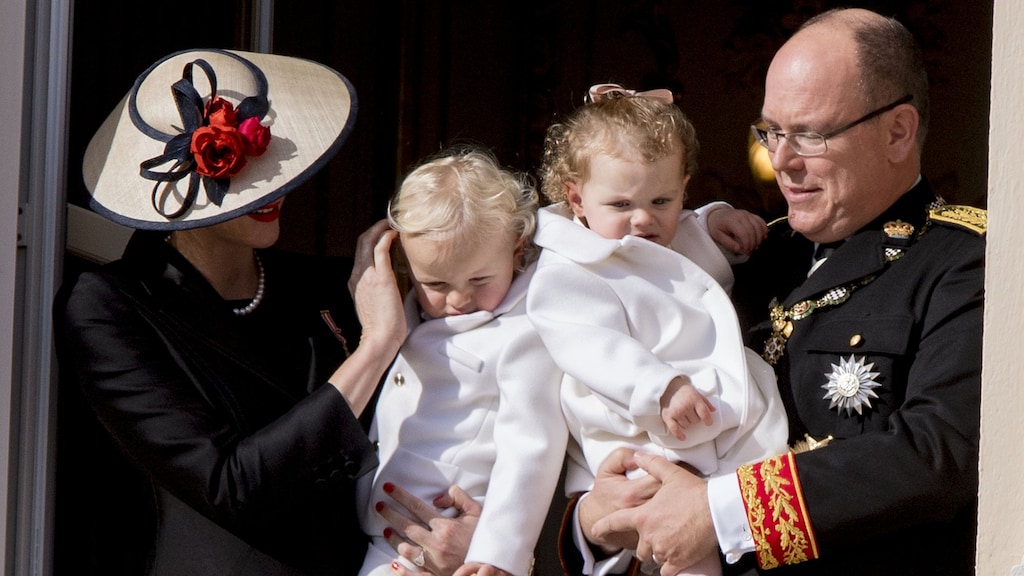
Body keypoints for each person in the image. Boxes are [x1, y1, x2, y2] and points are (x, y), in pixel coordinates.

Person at [575, 8, 985, 576]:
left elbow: (938, 454)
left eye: (810, 135)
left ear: (897, 132)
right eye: (771, 132)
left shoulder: (967, 260)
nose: (780, 162)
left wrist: (722, 512)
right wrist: (594, 521)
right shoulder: (743, 255)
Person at [56, 48, 409, 576]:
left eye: (266, 154)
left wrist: (466, 529)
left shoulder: (334, 287)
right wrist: (375, 348)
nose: (271, 186)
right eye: (237, 165)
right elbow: (229, 486)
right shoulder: (110, 307)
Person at [526, 84, 789, 576]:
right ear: (576, 198)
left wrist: (718, 219)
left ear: (684, 188)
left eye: (661, 199)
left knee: (715, 526)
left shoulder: (664, 231)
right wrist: (659, 386)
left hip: (704, 422)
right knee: (677, 542)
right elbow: (593, 347)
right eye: (621, 204)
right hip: (636, 430)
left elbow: (689, 235)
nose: (643, 218)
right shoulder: (568, 270)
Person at [356, 147, 567, 576]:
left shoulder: (523, 332)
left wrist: (499, 553)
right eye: (435, 283)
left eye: (479, 279)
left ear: (516, 251)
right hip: (382, 535)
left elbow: (530, 447)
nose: (458, 299)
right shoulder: (403, 315)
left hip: (454, 537)